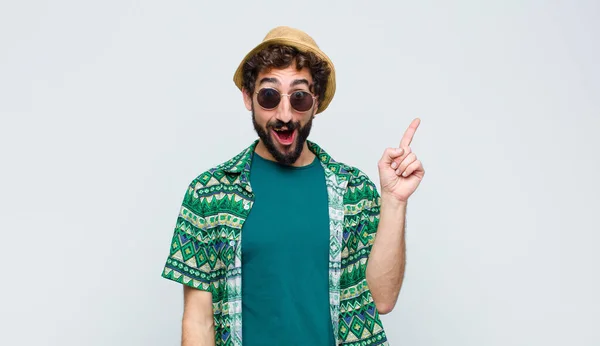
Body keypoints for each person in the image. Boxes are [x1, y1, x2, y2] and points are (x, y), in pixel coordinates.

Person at [160, 26, 425, 346]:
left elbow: (381, 299)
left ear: (315, 103)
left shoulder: (353, 190)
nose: (284, 114)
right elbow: (199, 322)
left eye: (299, 97)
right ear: (248, 97)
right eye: (269, 96)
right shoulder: (208, 195)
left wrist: (394, 201)